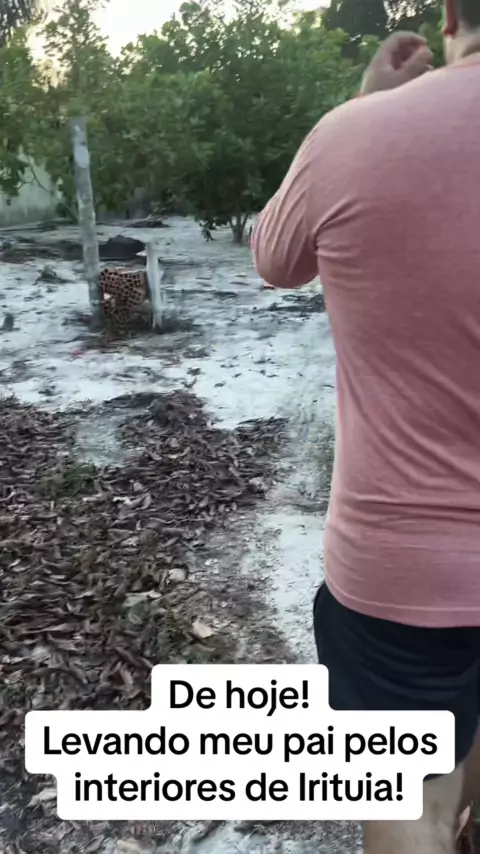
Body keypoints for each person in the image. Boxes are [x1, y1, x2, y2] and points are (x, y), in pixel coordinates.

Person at [252, 1, 480, 852]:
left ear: (451, 14)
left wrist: (362, 107)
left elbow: (275, 258)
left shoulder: (351, 136)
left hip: (405, 567)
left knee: (411, 801)